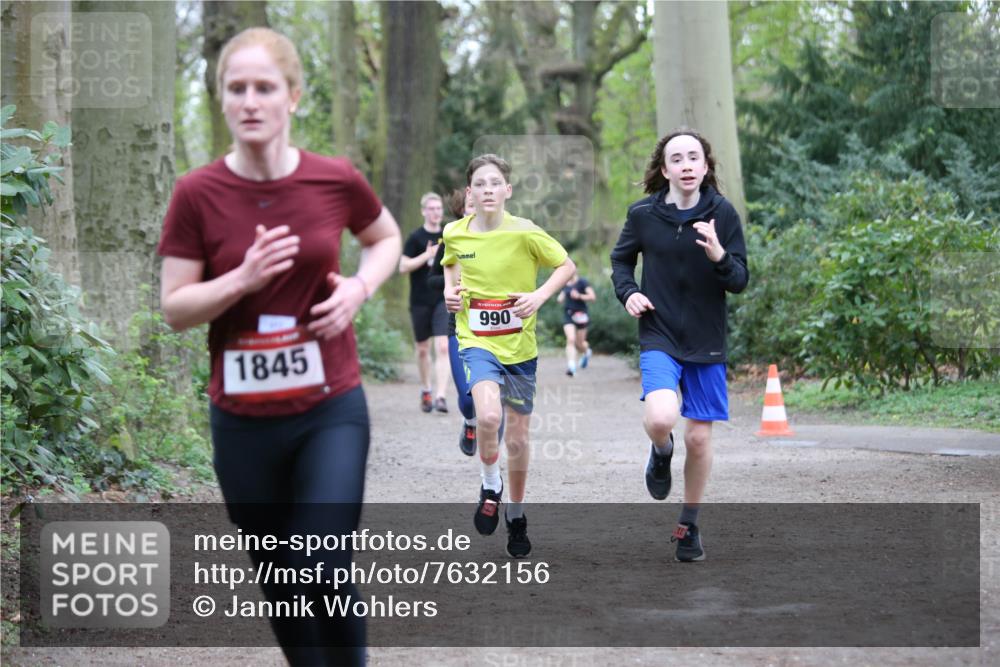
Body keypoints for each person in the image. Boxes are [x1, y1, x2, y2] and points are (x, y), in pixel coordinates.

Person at [157, 27, 400, 665]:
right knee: (281, 579)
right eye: (236, 88)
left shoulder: (333, 179)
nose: (249, 101)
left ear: (292, 96)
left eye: (264, 87)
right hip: (242, 419)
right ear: (221, 99)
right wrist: (240, 280)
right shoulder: (197, 193)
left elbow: (384, 238)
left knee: (321, 561)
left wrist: (359, 288)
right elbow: (175, 308)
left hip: (329, 407)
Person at [610, 129, 748, 563]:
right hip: (660, 331)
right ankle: (661, 450)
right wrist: (629, 292)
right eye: (677, 158)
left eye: (693, 157)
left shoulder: (722, 213)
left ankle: (688, 525)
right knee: (661, 418)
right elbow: (620, 261)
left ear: (705, 166)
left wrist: (719, 257)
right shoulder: (643, 214)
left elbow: (740, 279)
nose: (686, 165)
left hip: (706, 338)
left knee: (700, 439)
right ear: (665, 169)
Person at [443, 154, 575, 558]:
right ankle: (490, 484)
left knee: (517, 438)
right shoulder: (454, 232)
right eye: (480, 184)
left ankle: (516, 514)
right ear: (470, 192)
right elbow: (450, 265)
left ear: (507, 190)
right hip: (476, 341)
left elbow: (566, 266)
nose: (487, 190)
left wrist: (539, 296)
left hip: (520, 348)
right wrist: (449, 293)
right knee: (487, 416)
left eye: (495, 183)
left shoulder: (525, 232)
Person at [427, 189, 491, 456]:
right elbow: (432, 279)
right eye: (470, 205)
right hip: (460, 322)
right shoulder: (452, 238)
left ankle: (491, 463)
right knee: (467, 398)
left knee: (493, 398)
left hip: (493, 325)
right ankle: (470, 422)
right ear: (461, 209)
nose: (475, 209)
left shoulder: (498, 238)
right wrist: (451, 285)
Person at [399, 193, 450, 413]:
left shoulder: (449, 235)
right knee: (422, 349)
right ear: (423, 211)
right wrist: (427, 255)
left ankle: (441, 396)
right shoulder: (415, 237)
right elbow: (403, 267)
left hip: (442, 298)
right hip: (419, 300)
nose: (436, 212)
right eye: (431, 208)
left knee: (443, 346)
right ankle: (426, 389)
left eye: (438, 208)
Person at [556, 271, 596, 376]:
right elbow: (561, 297)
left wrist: (579, 296)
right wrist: (560, 298)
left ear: (574, 271)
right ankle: (571, 367)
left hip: (581, 315)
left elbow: (592, 297)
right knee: (571, 339)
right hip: (568, 315)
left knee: (580, 343)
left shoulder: (582, 282)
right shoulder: (565, 283)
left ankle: (587, 352)